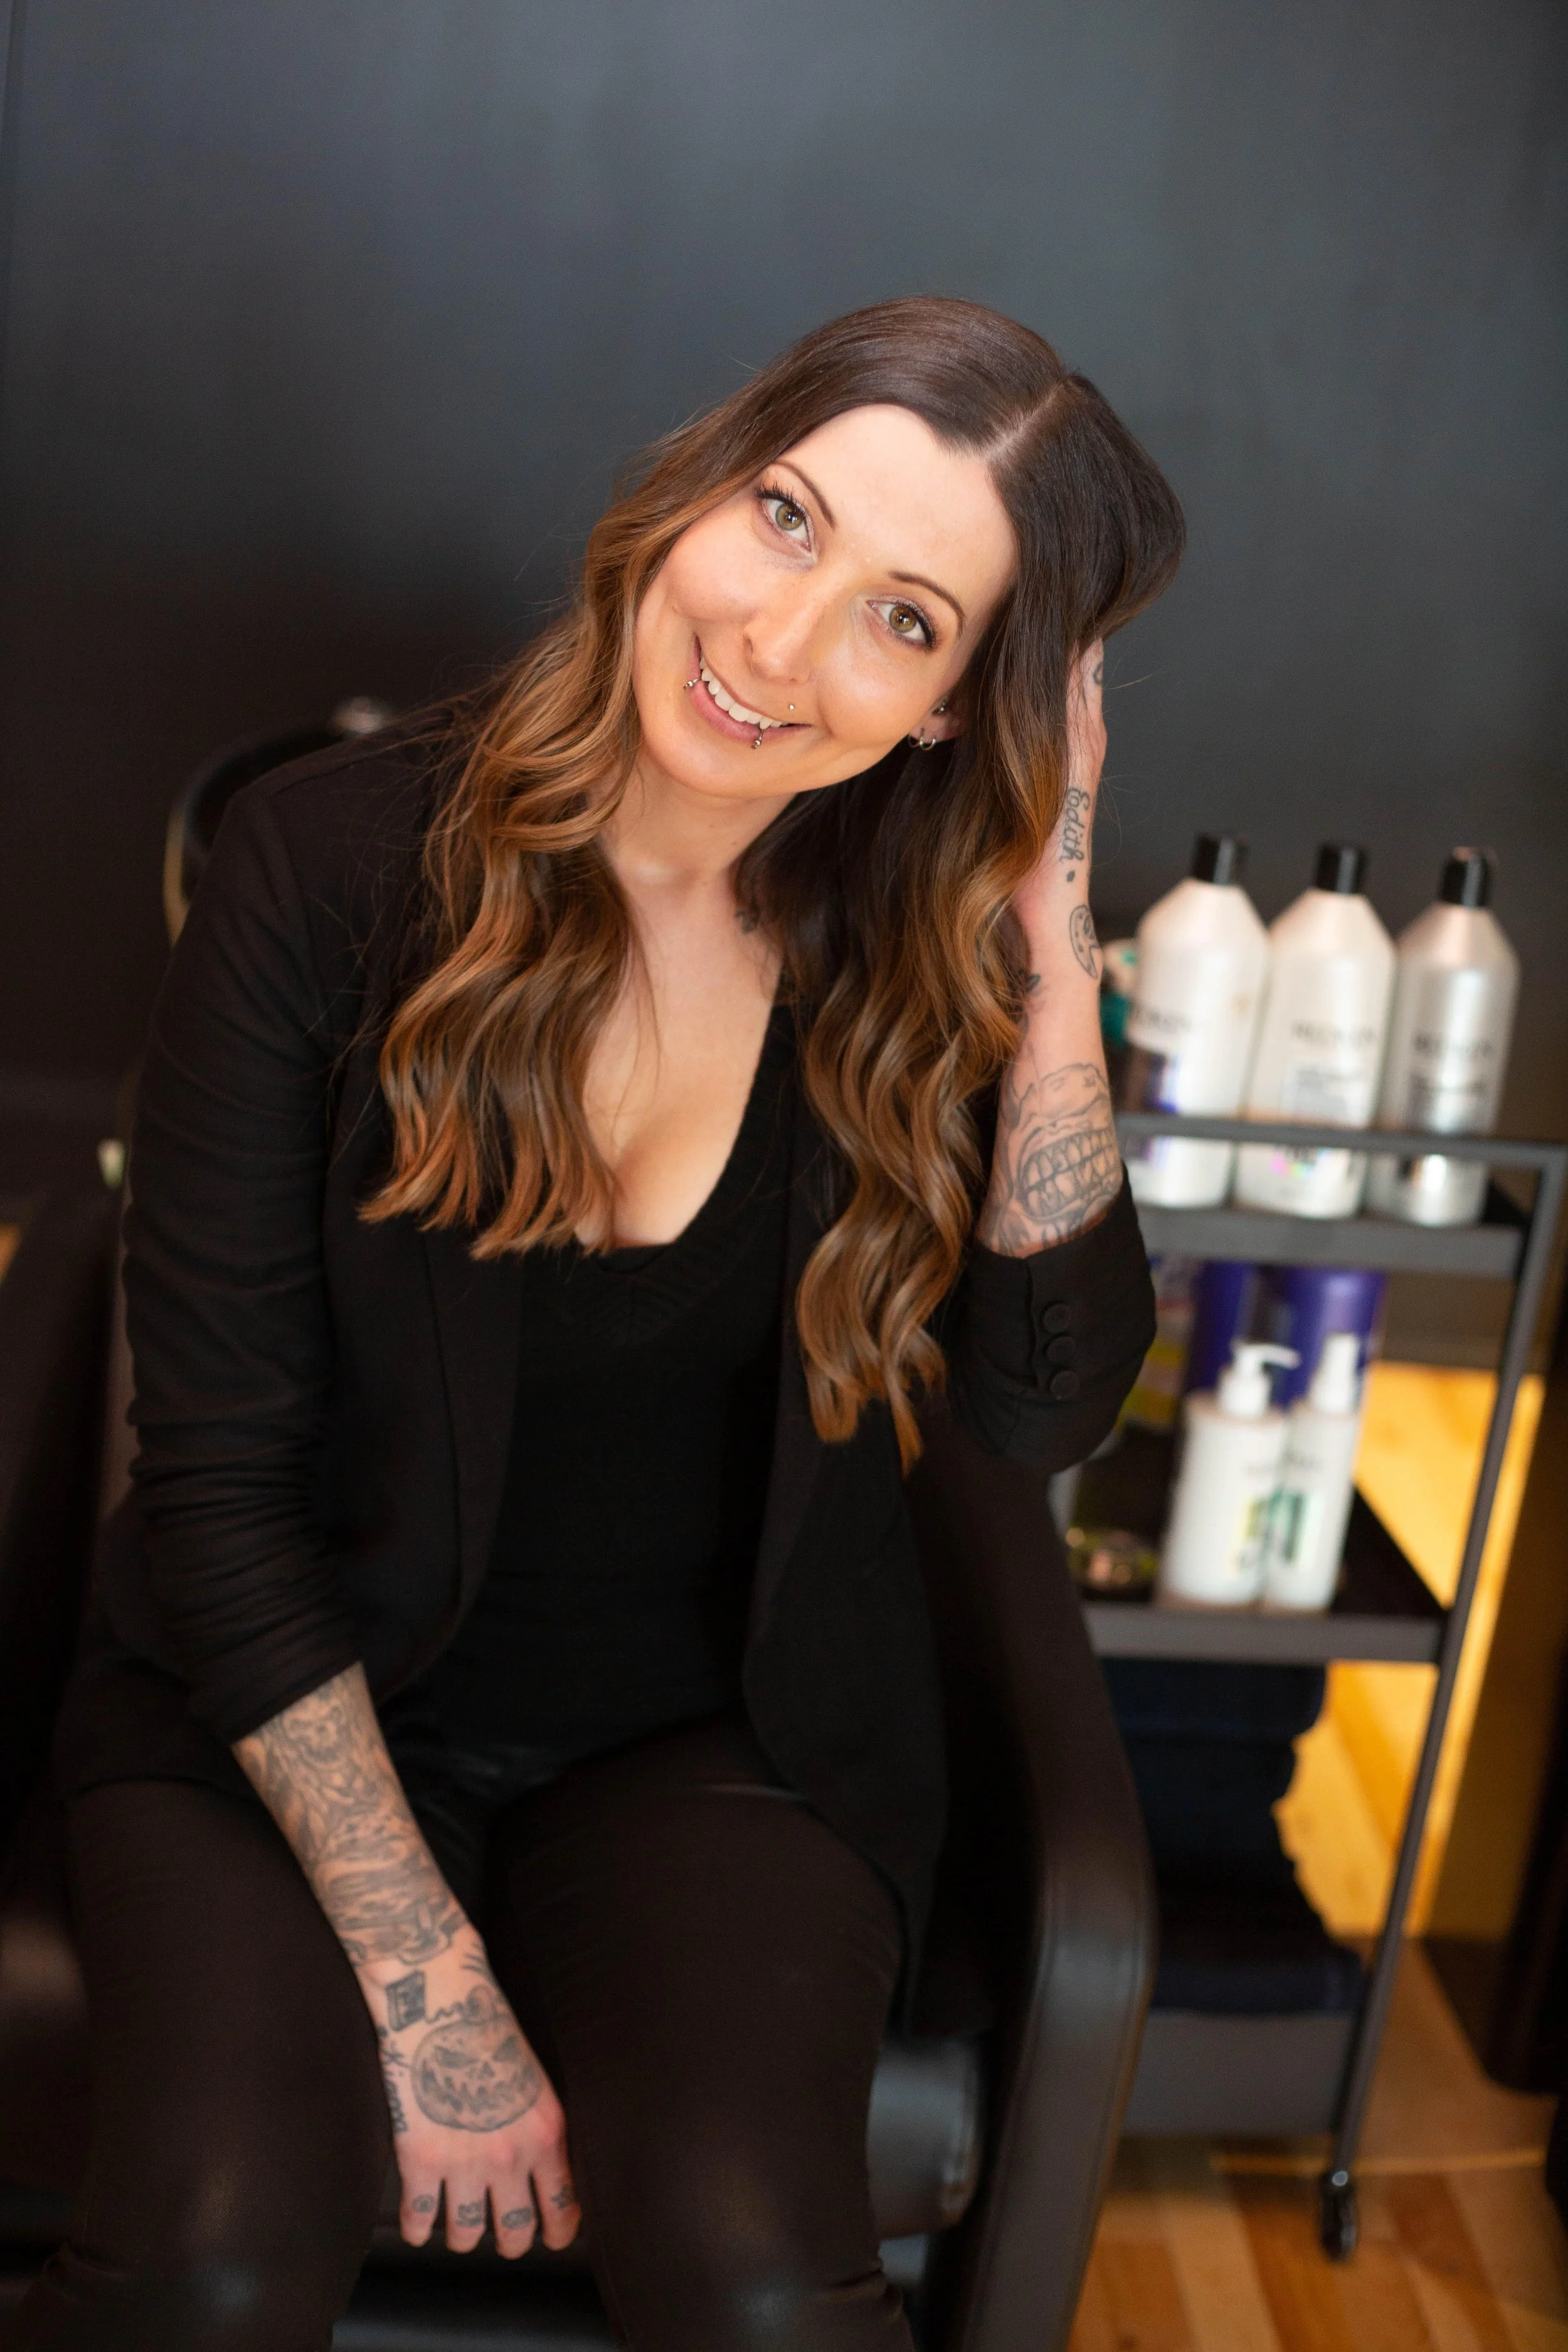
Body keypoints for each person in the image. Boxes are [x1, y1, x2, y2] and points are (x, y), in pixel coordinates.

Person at [10, 295, 1181, 2351]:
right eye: (786, 516)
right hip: (278, 1699)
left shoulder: (903, 961)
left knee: (759, 2288)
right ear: (698, 487)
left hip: (711, 1742)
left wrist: (1048, 924)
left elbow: (1039, 1405)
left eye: (905, 622)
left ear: (953, 712)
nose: (778, 638)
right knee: (211, 2256)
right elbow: (217, 1489)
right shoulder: (321, 869)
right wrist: (429, 1989)